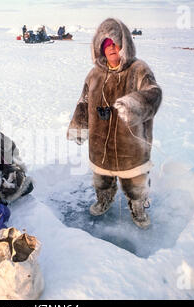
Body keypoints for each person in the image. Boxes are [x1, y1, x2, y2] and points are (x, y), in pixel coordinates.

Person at [67, 18, 162, 229]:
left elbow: (153, 93)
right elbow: (84, 101)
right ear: (99, 48)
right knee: (101, 180)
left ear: (124, 45)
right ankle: (104, 200)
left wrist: (134, 106)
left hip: (131, 146)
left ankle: (138, 209)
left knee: (135, 183)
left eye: (115, 43)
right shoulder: (94, 74)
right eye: (106, 44)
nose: (110, 48)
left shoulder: (138, 69)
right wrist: (79, 126)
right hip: (101, 144)